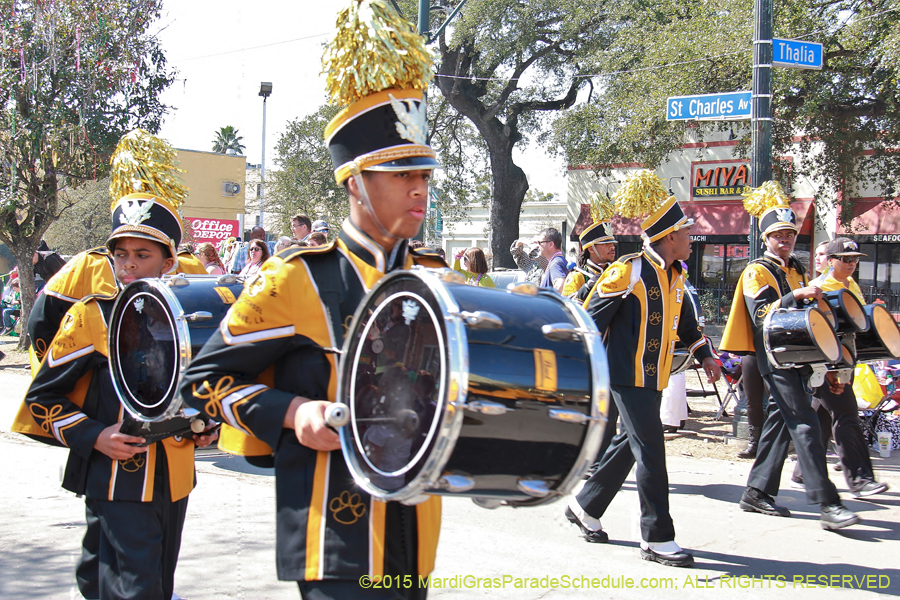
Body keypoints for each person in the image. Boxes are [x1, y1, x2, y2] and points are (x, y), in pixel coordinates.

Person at [179, 3, 444, 596]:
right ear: (354, 181)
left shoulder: (433, 276)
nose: (419, 188)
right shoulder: (293, 278)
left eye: (424, 174)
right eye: (402, 174)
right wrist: (294, 414)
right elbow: (206, 382)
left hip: (415, 527)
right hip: (334, 537)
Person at [23, 132, 218, 600]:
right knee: (135, 591)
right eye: (121, 254)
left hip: (174, 479)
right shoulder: (93, 314)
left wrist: (205, 425)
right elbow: (40, 400)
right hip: (116, 479)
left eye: (143, 254)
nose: (128, 266)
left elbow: (202, 388)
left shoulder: (188, 317)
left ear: (170, 261)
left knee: (117, 582)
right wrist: (95, 436)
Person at [565, 180, 720, 568]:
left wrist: (707, 357)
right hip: (622, 376)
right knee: (651, 451)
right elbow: (588, 322)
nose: (691, 237)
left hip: (654, 378)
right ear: (668, 237)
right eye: (686, 232)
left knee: (627, 449)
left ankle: (585, 505)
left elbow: (687, 327)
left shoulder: (677, 275)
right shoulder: (627, 272)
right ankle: (657, 536)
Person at [720, 187, 861, 530]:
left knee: (780, 424)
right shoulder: (757, 271)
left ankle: (756, 491)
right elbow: (763, 314)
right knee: (805, 423)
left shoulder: (797, 268)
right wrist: (795, 295)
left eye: (790, 234)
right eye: (778, 235)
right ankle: (827, 502)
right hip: (775, 357)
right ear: (766, 239)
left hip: (799, 357)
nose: (785, 240)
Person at [790, 237, 889, 498]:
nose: (851, 263)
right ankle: (860, 480)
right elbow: (817, 333)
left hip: (845, 359)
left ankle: (802, 473)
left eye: (855, 259)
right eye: (845, 259)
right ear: (830, 261)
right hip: (827, 363)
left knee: (820, 419)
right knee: (847, 416)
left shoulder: (850, 284)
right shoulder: (819, 287)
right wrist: (834, 371)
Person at [563, 220, 617, 301]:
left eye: (612, 243)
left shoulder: (616, 273)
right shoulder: (577, 277)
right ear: (591, 249)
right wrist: (586, 288)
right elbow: (567, 307)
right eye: (605, 243)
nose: (612, 247)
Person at [537, 227, 569, 292]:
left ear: (551, 244)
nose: (538, 246)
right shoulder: (560, 260)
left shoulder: (556, 263)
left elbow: (560, 286)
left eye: (540, 242)